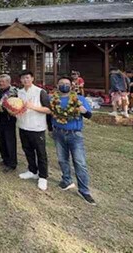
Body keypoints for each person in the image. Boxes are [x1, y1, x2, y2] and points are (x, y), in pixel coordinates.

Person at [50, 77, 96, 205]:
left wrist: (84, 111)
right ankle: (66, 180)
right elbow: (49, 115)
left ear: (71, 86)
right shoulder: (53, 99)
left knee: (79, 162)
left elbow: (89, 115)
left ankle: (84, 190)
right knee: (62, 159)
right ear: (57, 86)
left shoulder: (79, 99)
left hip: (74, 134)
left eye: (66, 84)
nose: (64, 85)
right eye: (61, 84)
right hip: (58, 132)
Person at [17, 70, 51, 191]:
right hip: (23, 125)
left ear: (32, 78)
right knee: (27, 150)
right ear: (20, 80)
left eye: (27, 78)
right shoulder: (19, 92)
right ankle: (32, 170)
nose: (25, 80)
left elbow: (49, 110)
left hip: (37, 128)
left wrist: (33, 107)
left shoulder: (40, 92)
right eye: (23, 78)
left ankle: (43, 176)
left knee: (41, 152)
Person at [0, 74, 18, 172]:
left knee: (10, 142)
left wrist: (1, 108)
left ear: (8, 82)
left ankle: (12, 164)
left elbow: (13, 105)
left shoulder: (13, 92)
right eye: (0, 81)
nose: (1, 83)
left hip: (8, 120)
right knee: (1, 141)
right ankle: (5, 159)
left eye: (3, 81)